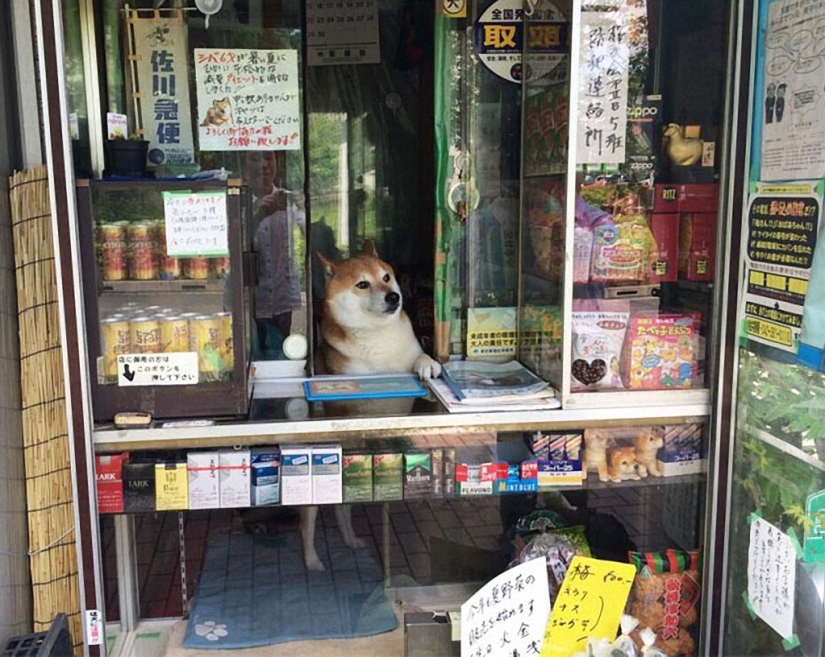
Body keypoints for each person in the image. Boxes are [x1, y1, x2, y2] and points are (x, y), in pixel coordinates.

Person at [251, 152, 302, 356]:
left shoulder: (288, 199)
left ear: (277, 164)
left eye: (269, 159)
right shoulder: (237, 199)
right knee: (251, 350)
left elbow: (312, 235)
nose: (263, 165)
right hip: (249, 293)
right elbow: (229, 246)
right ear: (245, 165)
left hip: (282, 291)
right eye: (255, 159)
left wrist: (303, 206)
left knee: (281, 350)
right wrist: (258, 215)